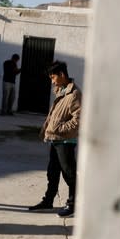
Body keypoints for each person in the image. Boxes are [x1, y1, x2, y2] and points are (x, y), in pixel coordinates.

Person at [28, 61, 81, 218]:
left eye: (53, 77)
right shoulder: (61, 91)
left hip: (65, 140)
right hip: (55, 139)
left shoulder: (74, 94)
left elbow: (78, 120)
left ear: (62, 75)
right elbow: (54, 116)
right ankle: (48, 200)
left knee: (69, 173)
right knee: (53, 172)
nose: (52, 81)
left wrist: (59, 129)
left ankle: (73, 204)